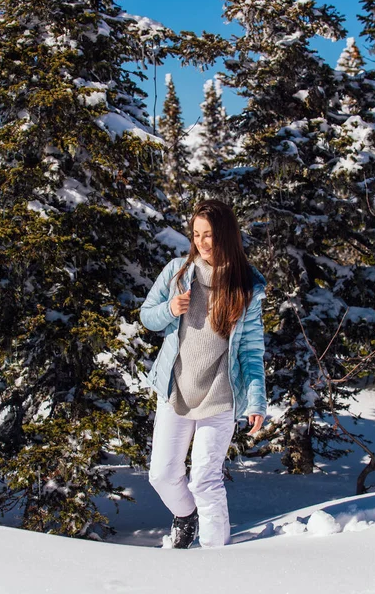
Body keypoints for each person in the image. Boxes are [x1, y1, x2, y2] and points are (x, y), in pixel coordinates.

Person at [139, 199, 267, 549]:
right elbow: (146, 316)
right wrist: (169, 309)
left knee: (206, 481)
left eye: (208, 235)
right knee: (162, 474)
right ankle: (184, 515)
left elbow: (251, 352)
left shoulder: (247, 287)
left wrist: (256, 400)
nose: (202, 243)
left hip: (220, 395)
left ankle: (215, 563)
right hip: (176, 389)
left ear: (226, 235)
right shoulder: (177, 272)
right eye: (196, 235)